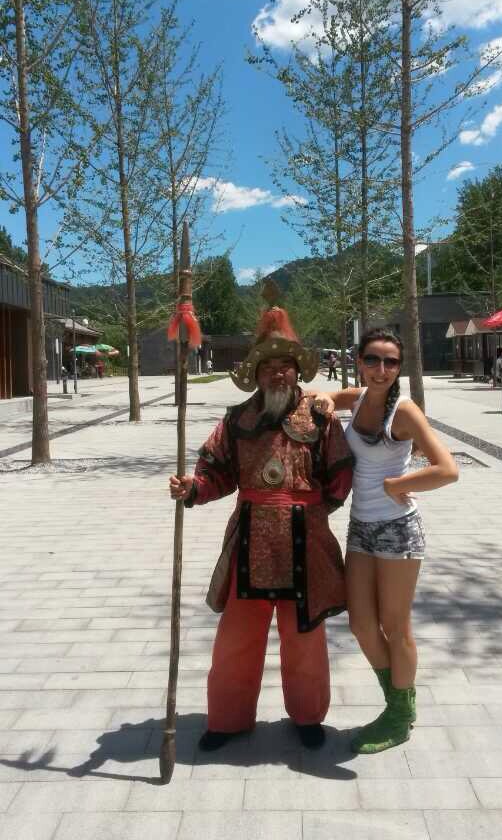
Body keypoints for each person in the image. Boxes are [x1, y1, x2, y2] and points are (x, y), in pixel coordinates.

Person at [169, 294, 353, 752]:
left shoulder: (320, 419)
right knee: (237, 637)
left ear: (297, 370)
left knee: (304, 636)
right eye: (268, 366)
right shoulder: (236, 421)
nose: (277, 373)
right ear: (255, 373)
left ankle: (308, 716)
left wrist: (309, 510)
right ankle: (228, 719)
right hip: (249, 540)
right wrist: (193, 487)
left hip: (305, 542)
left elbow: (340, 474)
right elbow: (217, 472)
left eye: (285, 365)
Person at [312, 328, 458, 754]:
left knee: (396, 626)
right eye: (373, 359)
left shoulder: (404, 411)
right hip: (360, 527)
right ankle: (398, 702)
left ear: (399, 367)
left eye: (390, 362)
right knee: (361, 624)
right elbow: (319, 395)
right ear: (358, 361)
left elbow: (447, 469)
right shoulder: (358, 398)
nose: (381, 369)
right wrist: (323, 400)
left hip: (398, 529)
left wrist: (399, 483)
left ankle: (398, 713)